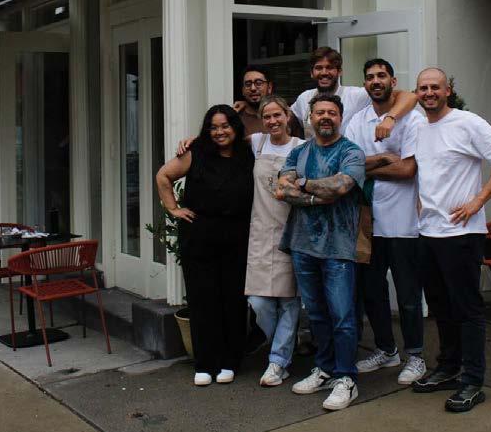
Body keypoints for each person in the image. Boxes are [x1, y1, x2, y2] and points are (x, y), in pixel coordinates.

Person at [410, 67, 491, 413]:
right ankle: (448, 367)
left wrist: (478, 200)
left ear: (448, 91)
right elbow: (428, 172)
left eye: (435, 87)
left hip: (462, 234)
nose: (429, 93)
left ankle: (472, 381)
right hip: (428, 232)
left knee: (467, 308)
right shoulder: (419, 127)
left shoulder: (467, 122)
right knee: (441, 306)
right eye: (423, 88)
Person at [276, 94, 365, 411]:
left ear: (341, 117)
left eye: (332, 112)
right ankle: (325, 369)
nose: (325, 117)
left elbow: (341, 187)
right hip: (302, 245)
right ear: (310, 118)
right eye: (319, 112)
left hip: (338, 247)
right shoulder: (298, 152)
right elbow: (281, 189)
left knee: (342, 316)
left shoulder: (351, 152)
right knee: (316, 315)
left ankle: (346, 378)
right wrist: (316, 195)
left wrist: (301, 184)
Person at [155, 105, 254, 387]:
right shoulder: (195, 152)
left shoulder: (248, 153)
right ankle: (205, 363)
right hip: (199, 237)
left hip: (237, 236)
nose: (220, 132)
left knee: (233, 300)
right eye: (213, 127)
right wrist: (173, 209)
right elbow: (163, 176)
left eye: (225, 126)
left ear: (235, 127)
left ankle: (230, 361)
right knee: (202, 300)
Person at [345, 59, 427, 385]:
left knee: (407, 295)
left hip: (404, 223)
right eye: (370, 77)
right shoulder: (358, 121)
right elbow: (349, 165)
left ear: (393, 81)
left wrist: (368, 166)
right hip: (368, 222)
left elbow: (408, 169)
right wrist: (384, 160)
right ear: (365, 84)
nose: (375, 81)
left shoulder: (412, 119)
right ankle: (386, 350)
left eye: (381, 76)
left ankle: (416, 356)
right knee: (372, 292)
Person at [245, 95, 305, 387]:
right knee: (258, 302)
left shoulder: (301, 147)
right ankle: (282, 345)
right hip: (260, 232)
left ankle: (278, 362)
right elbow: (219, 139)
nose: (272, 121)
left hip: (291, 232)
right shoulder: (256, 143)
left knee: (289, 302)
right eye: (266, 117)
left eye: (277, 115)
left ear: (287, 115)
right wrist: (192, 141)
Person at [290, 47, 417, 140]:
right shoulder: (304, 98)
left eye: (330, 67)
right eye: (319, 68)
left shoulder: (356, 95)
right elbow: (289, 120)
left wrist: (390, 118)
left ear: (340, 71)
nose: (324, 72)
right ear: (312, 73)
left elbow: (410, 96)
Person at [238, 65, 304, 138]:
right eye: (248, 84)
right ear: (243, 90)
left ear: (269, 87)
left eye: (258, 83)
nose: (253, 88)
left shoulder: (286, 115)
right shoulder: (237, 117)